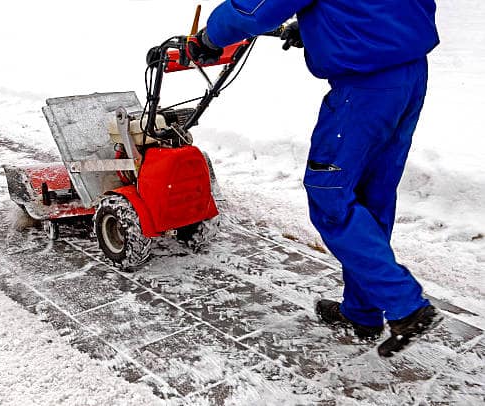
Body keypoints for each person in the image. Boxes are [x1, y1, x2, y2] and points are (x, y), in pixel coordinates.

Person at [187, 0, 444, 357]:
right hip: (409, 71)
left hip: (365, 86)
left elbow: (255, 9)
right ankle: (362, 312)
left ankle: (405, 305)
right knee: (371, 195)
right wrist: (319, 28)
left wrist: (209, 38)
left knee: (331, 196)